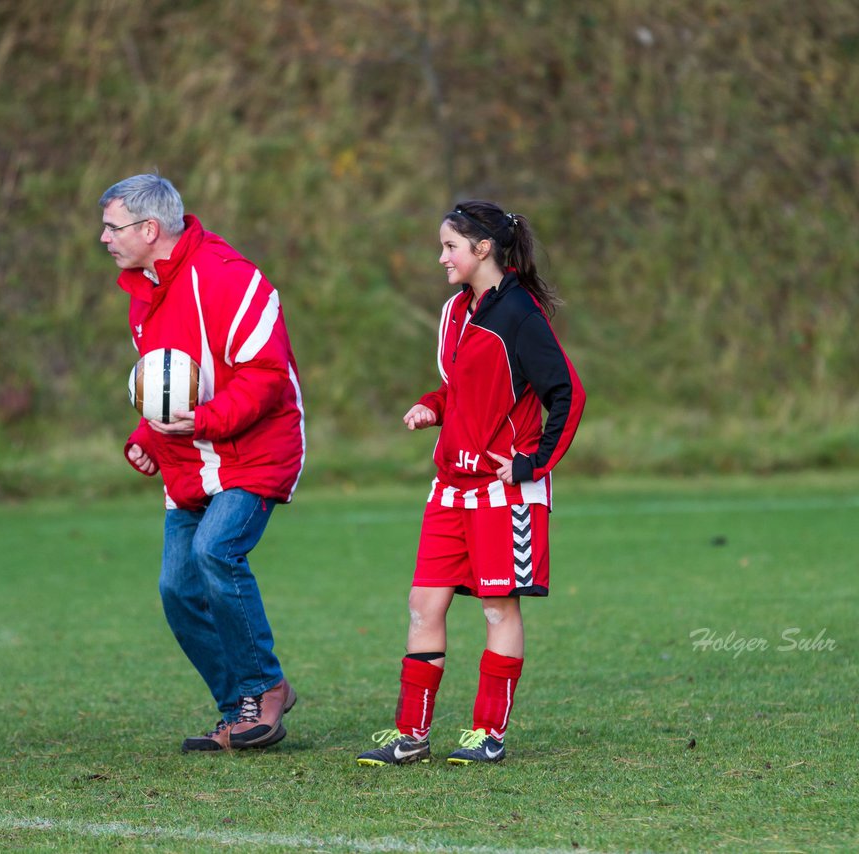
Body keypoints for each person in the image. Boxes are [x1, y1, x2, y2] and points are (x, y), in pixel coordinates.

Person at [356, 200, 585, 766]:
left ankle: (488, 734)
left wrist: (533, 464)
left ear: (483, 249)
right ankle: (411, 736)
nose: (442, 258)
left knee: (496, 608)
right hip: (450, 486)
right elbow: (462, 390)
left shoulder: (522, 316)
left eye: (450, 247)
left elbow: (567, 394)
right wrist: (431, 408)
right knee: (422, 603)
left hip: (503, 492)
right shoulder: (456, 311)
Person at [99, 174, 305, 751]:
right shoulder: (144, 291)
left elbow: (265, 377)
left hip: (256, 451)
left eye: (112, 227)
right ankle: (238, 706)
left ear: (148, 228)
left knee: (217, 549)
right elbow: (164, 376)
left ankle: (263, 688)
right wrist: (146, 433)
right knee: (177, 588)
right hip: (189, 458)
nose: (104, 238)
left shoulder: (231, 278)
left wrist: (206, 422)